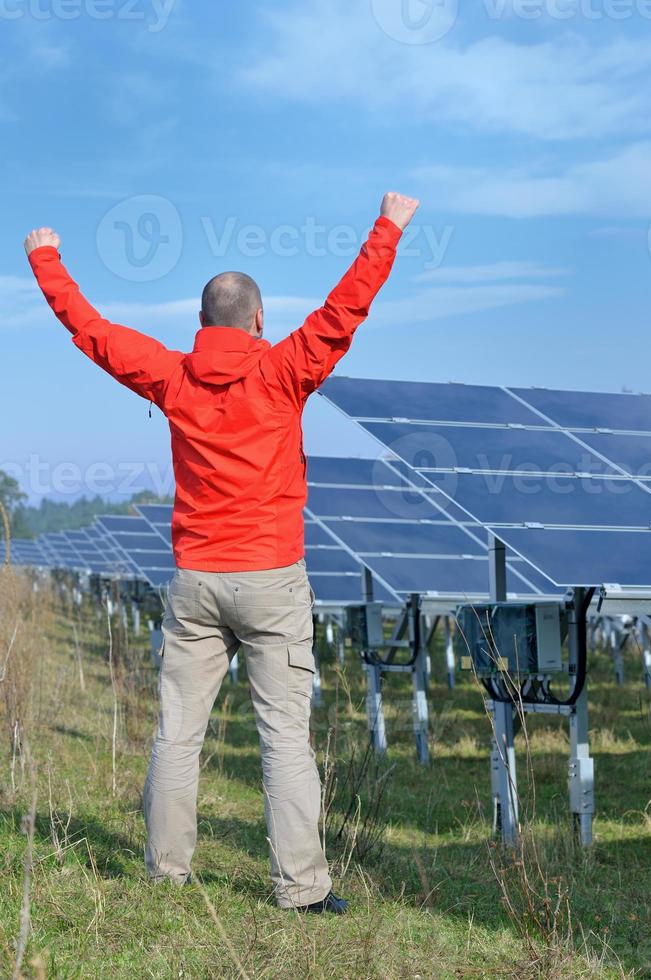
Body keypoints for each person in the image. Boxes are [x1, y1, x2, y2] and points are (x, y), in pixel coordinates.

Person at [24, 191, 420, 914]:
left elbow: (95, 333)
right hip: (270, 578)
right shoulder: (283, 370)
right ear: (259, 319)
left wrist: (47, 261)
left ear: (201, 324)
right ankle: (299, 887)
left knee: (178, 731)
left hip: (197, 580)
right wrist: (386, 229)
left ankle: (166, 872)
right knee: (283, 739)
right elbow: (344, 310)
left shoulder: (173, 377)